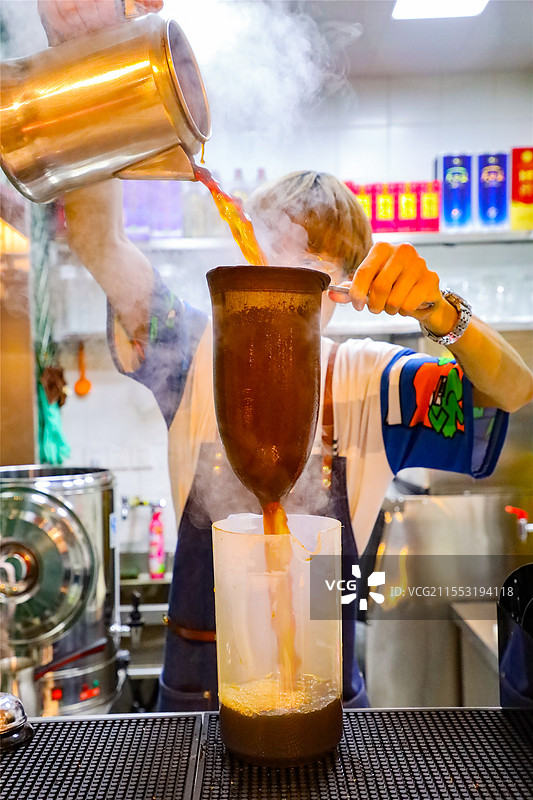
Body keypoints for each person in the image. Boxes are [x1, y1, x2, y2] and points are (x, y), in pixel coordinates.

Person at [37, 0, 533, 712]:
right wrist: (88, 73)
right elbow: (100, 245)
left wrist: (443, 315)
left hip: (323, 685)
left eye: (305, 277)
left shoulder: (372, 382)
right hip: (196, 696)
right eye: (268, 261)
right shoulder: (188, 348)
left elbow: (511, 391)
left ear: (336, 292)